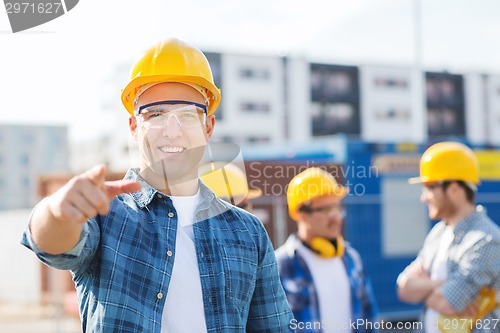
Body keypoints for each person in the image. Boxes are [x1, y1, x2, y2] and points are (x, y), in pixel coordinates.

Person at [21, 38, 294, 332]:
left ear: (208, 127)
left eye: (188, 115)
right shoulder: (105, 214)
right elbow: (52, 246)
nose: (172, 131)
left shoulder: (248, 232)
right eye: (155, 114)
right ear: (134, 127)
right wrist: (58, 212)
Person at [397, 141, 500, 333]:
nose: (424, 197)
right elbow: (404, 288)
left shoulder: (486, 240)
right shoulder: (438, 233)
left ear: (454, 188)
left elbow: (446, 304)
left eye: (429, 186)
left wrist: (424, 289)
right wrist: (443, 285)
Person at [276, 167, 378, 333]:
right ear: (300, 213)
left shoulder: (352, 258)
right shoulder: (280, 265)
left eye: (337, 208)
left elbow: (369, 318)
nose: (336, 217)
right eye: (325, 210)